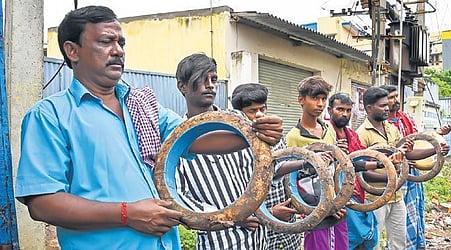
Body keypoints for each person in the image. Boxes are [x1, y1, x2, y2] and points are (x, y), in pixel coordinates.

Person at [14, 7, 282, 249]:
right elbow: (42, 203)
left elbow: (198, 138)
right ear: (72, 51)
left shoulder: (141, 105)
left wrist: (253, 133)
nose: (118, 50)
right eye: (106, 41)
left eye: (121, 43)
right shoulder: (50, 116)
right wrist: (126, 214)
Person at [174, 54, 284, 249]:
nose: (210, 85)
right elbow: (180, 197)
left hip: (258, 239)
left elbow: (261, 169)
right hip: (219, 241)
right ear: (182, 86)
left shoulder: (239, 122)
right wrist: (232, 216)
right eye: (201, 79)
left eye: (214, 79)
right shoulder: (176, 140)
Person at [356, 87, 440, 250]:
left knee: (399, 243)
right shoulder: (362, 134)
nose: (387, 108)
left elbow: (406, 154)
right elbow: (362, 172)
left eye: (387, 105)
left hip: (396, 196)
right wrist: (392, 176)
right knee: (372, 242)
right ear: (369, 108)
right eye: (382, 106)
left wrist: (435, 150)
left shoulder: (391, 129)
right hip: (375, 198)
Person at [231, 83, 302, 250]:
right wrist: (269, 212)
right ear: (239, 114)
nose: (259, 115)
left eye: (263, 109)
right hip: (260, 229)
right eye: (252, 111)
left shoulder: (276, 137)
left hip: (286, 225)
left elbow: (280, 168)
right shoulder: (232, 145)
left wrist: (305, 162)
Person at [379, 85, 451, 250]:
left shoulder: (405, 118)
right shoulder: (383, 124)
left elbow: (416, 142)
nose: (395, 100)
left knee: (414, 213)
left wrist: (437, 135)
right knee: (397, 220)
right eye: (391, 98)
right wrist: (402, 160)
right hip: (395, 177)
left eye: (396, 96)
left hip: (413, 174)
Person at [286, 76, 348, 250]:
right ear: (301, 100)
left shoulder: (329, 130)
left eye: (323, 99)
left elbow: (335, 170)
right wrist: (325, 206)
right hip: (315, 207)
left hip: (337, 204)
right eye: (315, 98)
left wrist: (339, 154)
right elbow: (294, 180)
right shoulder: (293, 137)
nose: (320, 104)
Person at [326, 93, 379, 250]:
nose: (345, 114)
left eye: (348, 110)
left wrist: (379, 164)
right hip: (334, 197)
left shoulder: (352, 136)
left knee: (363, 239)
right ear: (329, 110)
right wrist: (334, 152)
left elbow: (359, 162)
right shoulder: (325, 133)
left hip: (355, 193)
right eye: (340, 109)